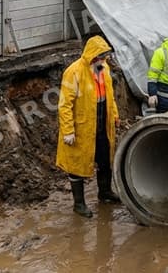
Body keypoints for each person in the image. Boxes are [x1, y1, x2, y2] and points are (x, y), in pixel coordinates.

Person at [56, 35, 120, 218]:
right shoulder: (74, 72)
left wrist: (114, 114)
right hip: (82, 128)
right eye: (99, 57)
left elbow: (110, 94)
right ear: (92, 56)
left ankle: (105, 192)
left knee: (104, 159)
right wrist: (68, 131)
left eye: (104, 57)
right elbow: (65, 104)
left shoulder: (103, 68)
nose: (102, 60)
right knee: (76, 165)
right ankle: (79, 204)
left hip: (101, 124)